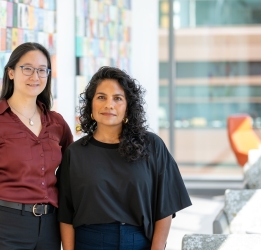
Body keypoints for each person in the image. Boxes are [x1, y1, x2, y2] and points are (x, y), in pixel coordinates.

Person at [58, 66, 192, 250]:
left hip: (138, 243)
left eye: (117, 98)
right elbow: (65, 214)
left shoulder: (152, 146)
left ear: (128, 106)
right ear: (91, 105)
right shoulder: (75, 153)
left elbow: (166, 208)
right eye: (101, 97)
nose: (109, 105)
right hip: (89, 243)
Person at [0, 42, 73, 250]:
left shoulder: (57, 123)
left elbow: (74, 170)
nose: (36, 76)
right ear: (11, 72)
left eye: (42, 70)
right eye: (28, 68)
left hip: (50, 226)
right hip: (6, 226)